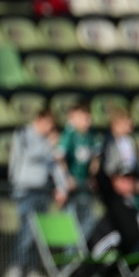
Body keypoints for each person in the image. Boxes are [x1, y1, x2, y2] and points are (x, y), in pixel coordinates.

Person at [4, 108, 68, 277]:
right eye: (49, 124)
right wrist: (50, 145)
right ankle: (16, 267)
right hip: (25, 190)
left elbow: (54, 165)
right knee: (27, 231)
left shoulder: (46, 141)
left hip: (42, 191)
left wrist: (61, 187)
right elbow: (31, 155)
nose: (50, 129)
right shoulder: (24, 134)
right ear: (40, 119)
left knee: (37, 233)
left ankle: (32, 270)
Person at [55, 100, 99, 237]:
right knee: (71, 222)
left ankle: (81, 247)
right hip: (71, 187)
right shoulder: (69, 135)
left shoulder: (91, 135)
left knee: (89, 219)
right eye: (82, 117)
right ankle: (71, 250)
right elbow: (59, 158)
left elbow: (95, 158)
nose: (86, 121)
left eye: (88, 117)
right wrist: (66, 180)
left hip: (84, 184)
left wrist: (92, 177)